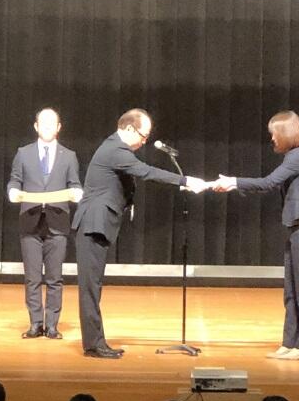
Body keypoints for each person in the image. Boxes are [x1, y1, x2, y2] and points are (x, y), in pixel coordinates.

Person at [72, 108, 206, 358]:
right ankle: (93, 345)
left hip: (97, 224)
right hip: (92, 224)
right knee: (90, 288)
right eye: (144, 136)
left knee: (93, 286)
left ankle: (96, 342)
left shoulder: (116, 148)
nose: (145, 142)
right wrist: (185, 180)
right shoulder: (115, 150)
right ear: (129, 128)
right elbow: (146, 172)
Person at [214, 110, 299, 360]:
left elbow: (268, 183)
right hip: (297, 228)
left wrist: (234, 182)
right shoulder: (292, 156)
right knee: (291, 290)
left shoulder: (297, 156)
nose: (272, 138)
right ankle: (290, 342)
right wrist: (234, 183)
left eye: (274, 134)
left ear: (286, 133)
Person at [8, 108, 82, 339]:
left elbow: (75, 183)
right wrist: (12, 191)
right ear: (36, 126)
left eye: (52, 124)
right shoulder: (23, 153)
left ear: (59, 127)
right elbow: (15, 180)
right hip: (30, 221)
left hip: (57, 222)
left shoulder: (68, 156)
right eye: (43, 123)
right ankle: (35, 323)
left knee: (54, 278)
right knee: (32, 278)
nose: (48, 127)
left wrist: (77, 193)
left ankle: (52, 325)